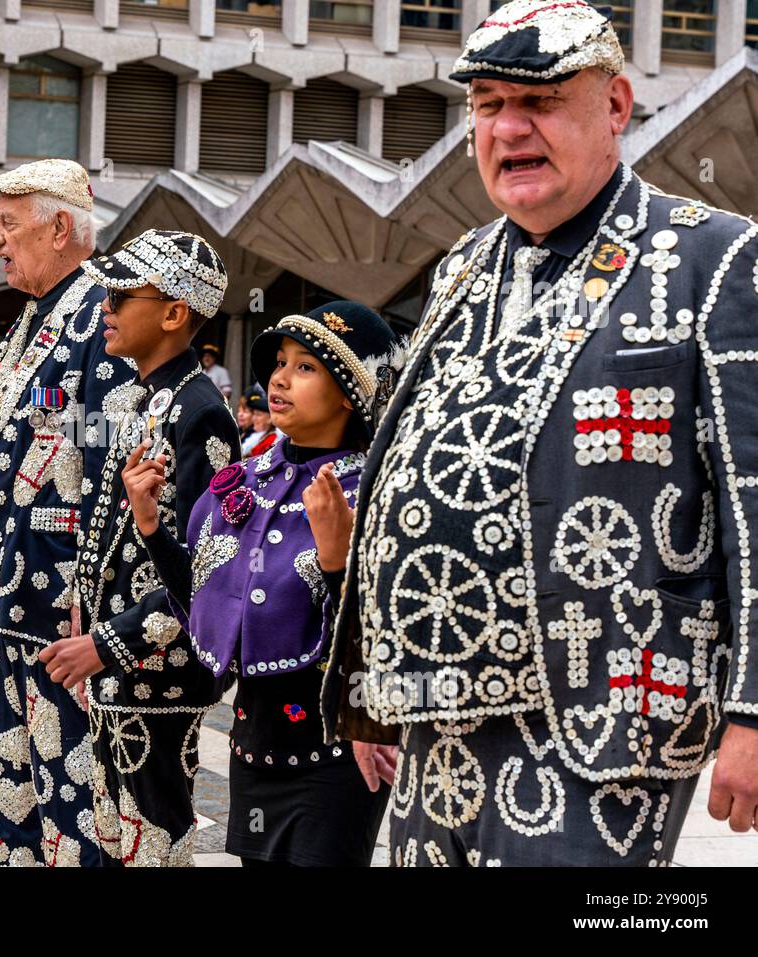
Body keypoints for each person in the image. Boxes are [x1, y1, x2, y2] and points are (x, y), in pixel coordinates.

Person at [322, 0, 758, 866]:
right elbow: (415, 458)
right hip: (433, 713)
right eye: (487, 103)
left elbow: (756, 496)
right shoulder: (463, 264)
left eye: (543, 100)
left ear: (616, 107)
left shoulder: (715, 253)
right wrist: (372, 681)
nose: (509, 127)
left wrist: (755, 709)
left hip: (604, 718)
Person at [137, 301, 405, 865]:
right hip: (251, 748)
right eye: (280, 361)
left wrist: (338, 561)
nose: (279, 378)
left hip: (336, 757)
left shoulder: (382, 493)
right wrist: (153, 528)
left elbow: (392, 633)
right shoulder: (245, 479)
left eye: (306, 367)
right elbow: (204, 605)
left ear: (352, 392)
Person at [0, 158, 133, 866]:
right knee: (7, 793)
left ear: (60, 229)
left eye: (8, 224)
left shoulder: (99, 315)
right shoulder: (33, 319)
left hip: (61, 614)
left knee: (71, 803)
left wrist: (93, 597)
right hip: (10, 605)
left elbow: (109, 459)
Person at [38, 229, 240, 866]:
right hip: (123, 663)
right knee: (115, 829)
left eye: (124, 295)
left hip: (160, 670)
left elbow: (207, 565)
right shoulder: (151, 399)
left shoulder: (199, 410)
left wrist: (111, 641)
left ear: (175, 313)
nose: (107, 307)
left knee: (153, 833)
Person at [240, 388, 277, 460]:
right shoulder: (255, 436)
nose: (254, 418)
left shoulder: (273, 440)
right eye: (254, 414)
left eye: (258, 415)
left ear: (270, 419)